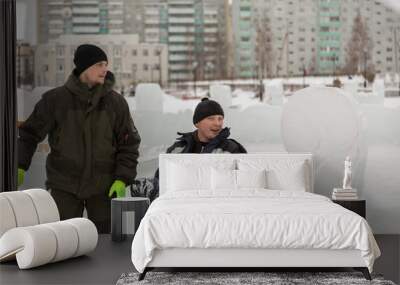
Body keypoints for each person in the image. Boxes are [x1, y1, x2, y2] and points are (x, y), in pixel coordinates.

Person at [17, 44, 141, 233]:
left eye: (106, 64)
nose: (105, 69)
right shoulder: (55, 100)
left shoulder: (116, 103)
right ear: (85, 67)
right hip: (64, 186)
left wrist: (122, 178)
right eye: (99, 64)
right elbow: (29, 134)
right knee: (63, 241)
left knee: (106, 244)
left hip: (104, 188)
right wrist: (19, 164)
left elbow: (129, 143)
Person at [131, 98, 246, 201]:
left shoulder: (232, 149)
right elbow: (162, 180)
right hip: (180, 205)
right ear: (197, 123)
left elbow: (244, 183)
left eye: (220, 119)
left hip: (218, 204)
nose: (217, 123)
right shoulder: (179, 149)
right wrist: (147, 187)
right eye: (211, 118)